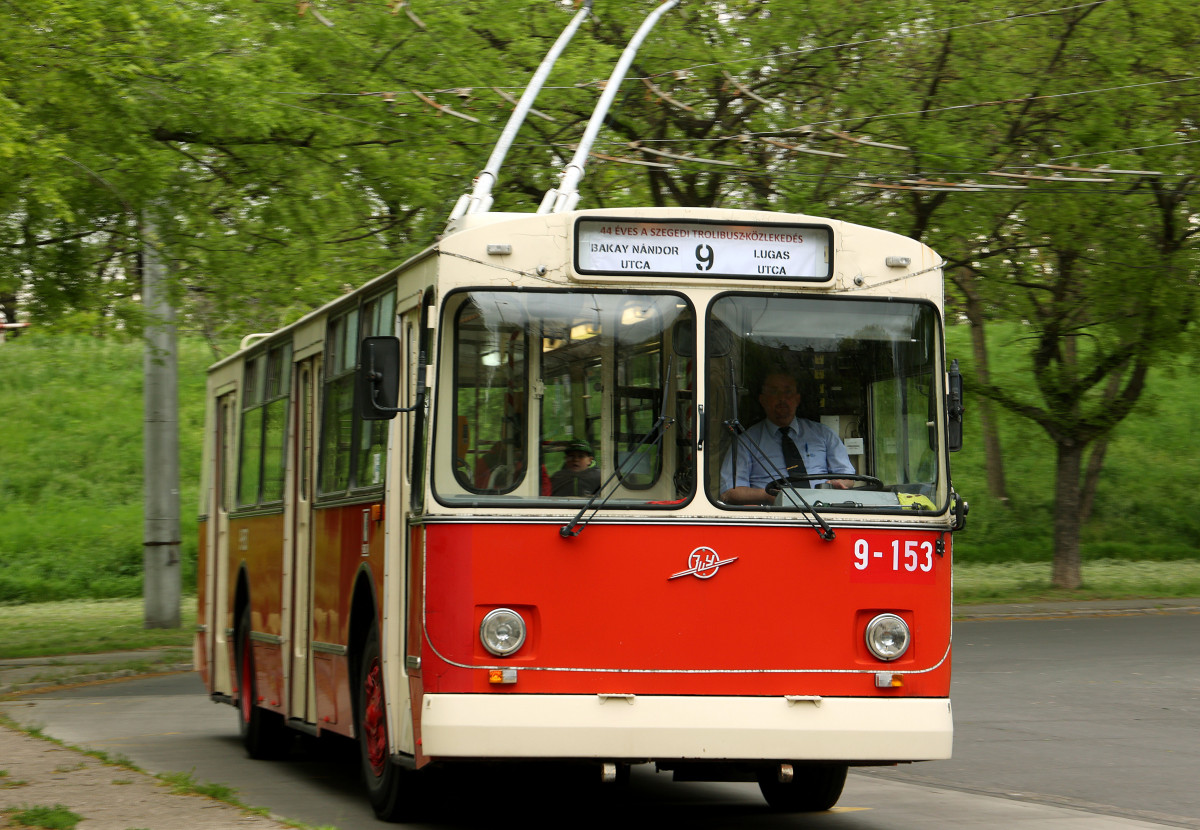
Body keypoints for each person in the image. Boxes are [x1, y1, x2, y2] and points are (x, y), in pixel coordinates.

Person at [719, 371, 855, 505]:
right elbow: (729, 491)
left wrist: (837, 483)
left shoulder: (824, 434)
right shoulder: (746, 441)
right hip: (772, 515)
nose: (782, 398)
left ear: (797, 399)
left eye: (788, 392)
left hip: (822, 511)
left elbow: (848, 477)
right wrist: (767, 496)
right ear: (763, 400)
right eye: (774, 392)